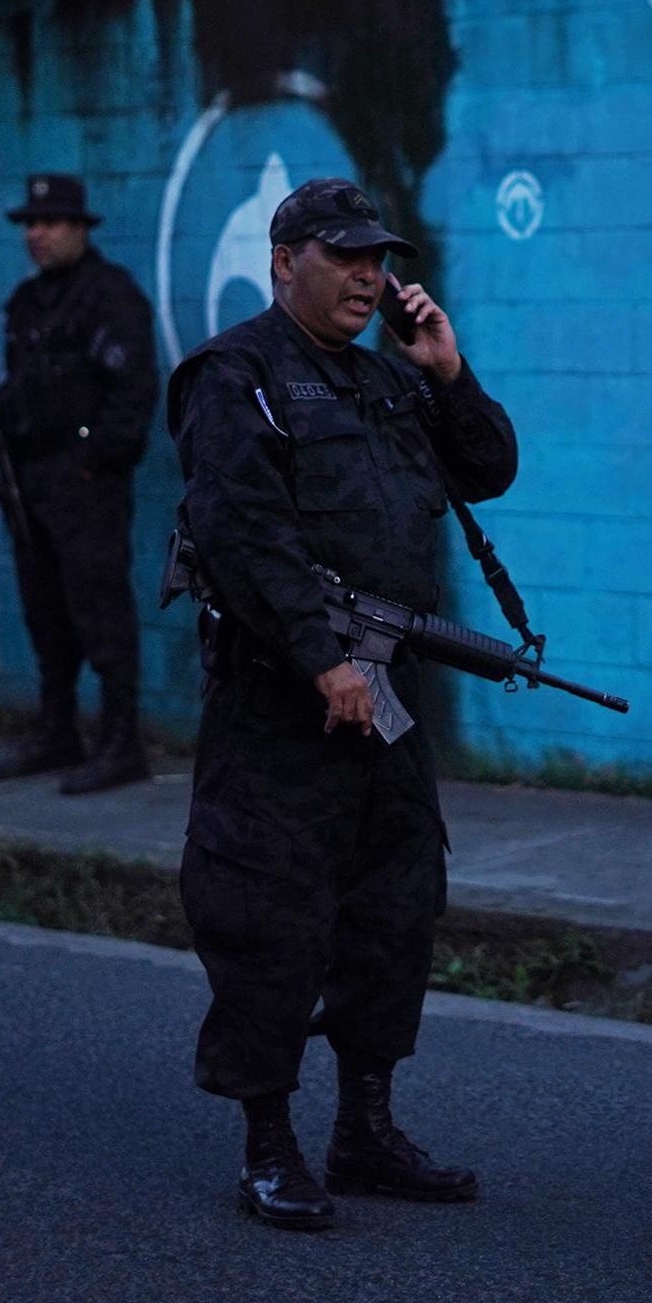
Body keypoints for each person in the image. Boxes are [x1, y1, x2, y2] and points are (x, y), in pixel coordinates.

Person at [166, 177, 517, 1231]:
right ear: (285, 261)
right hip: (285, 701)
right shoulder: (236, 377)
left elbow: (489, 468)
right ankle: (266, 1143)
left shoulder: (386, 381)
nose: (369, 274)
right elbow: (243, 533)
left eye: (379, 258)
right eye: (344, 255)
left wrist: (448, 373)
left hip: (384, 699)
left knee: (394, 910)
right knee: (272, 915)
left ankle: (364, 1126)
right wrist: (325, 661)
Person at [0, 174, 158, 795]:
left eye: (50, 223)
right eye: (30, 224)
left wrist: (93, 462)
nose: (36, 234)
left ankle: (121, 742)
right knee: (44, 611)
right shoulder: (27, 302)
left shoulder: (109, 298)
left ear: (81, 228)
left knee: (101, 610)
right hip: (32, 480)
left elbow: (133, 396)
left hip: (86, 483)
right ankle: (58, 731)